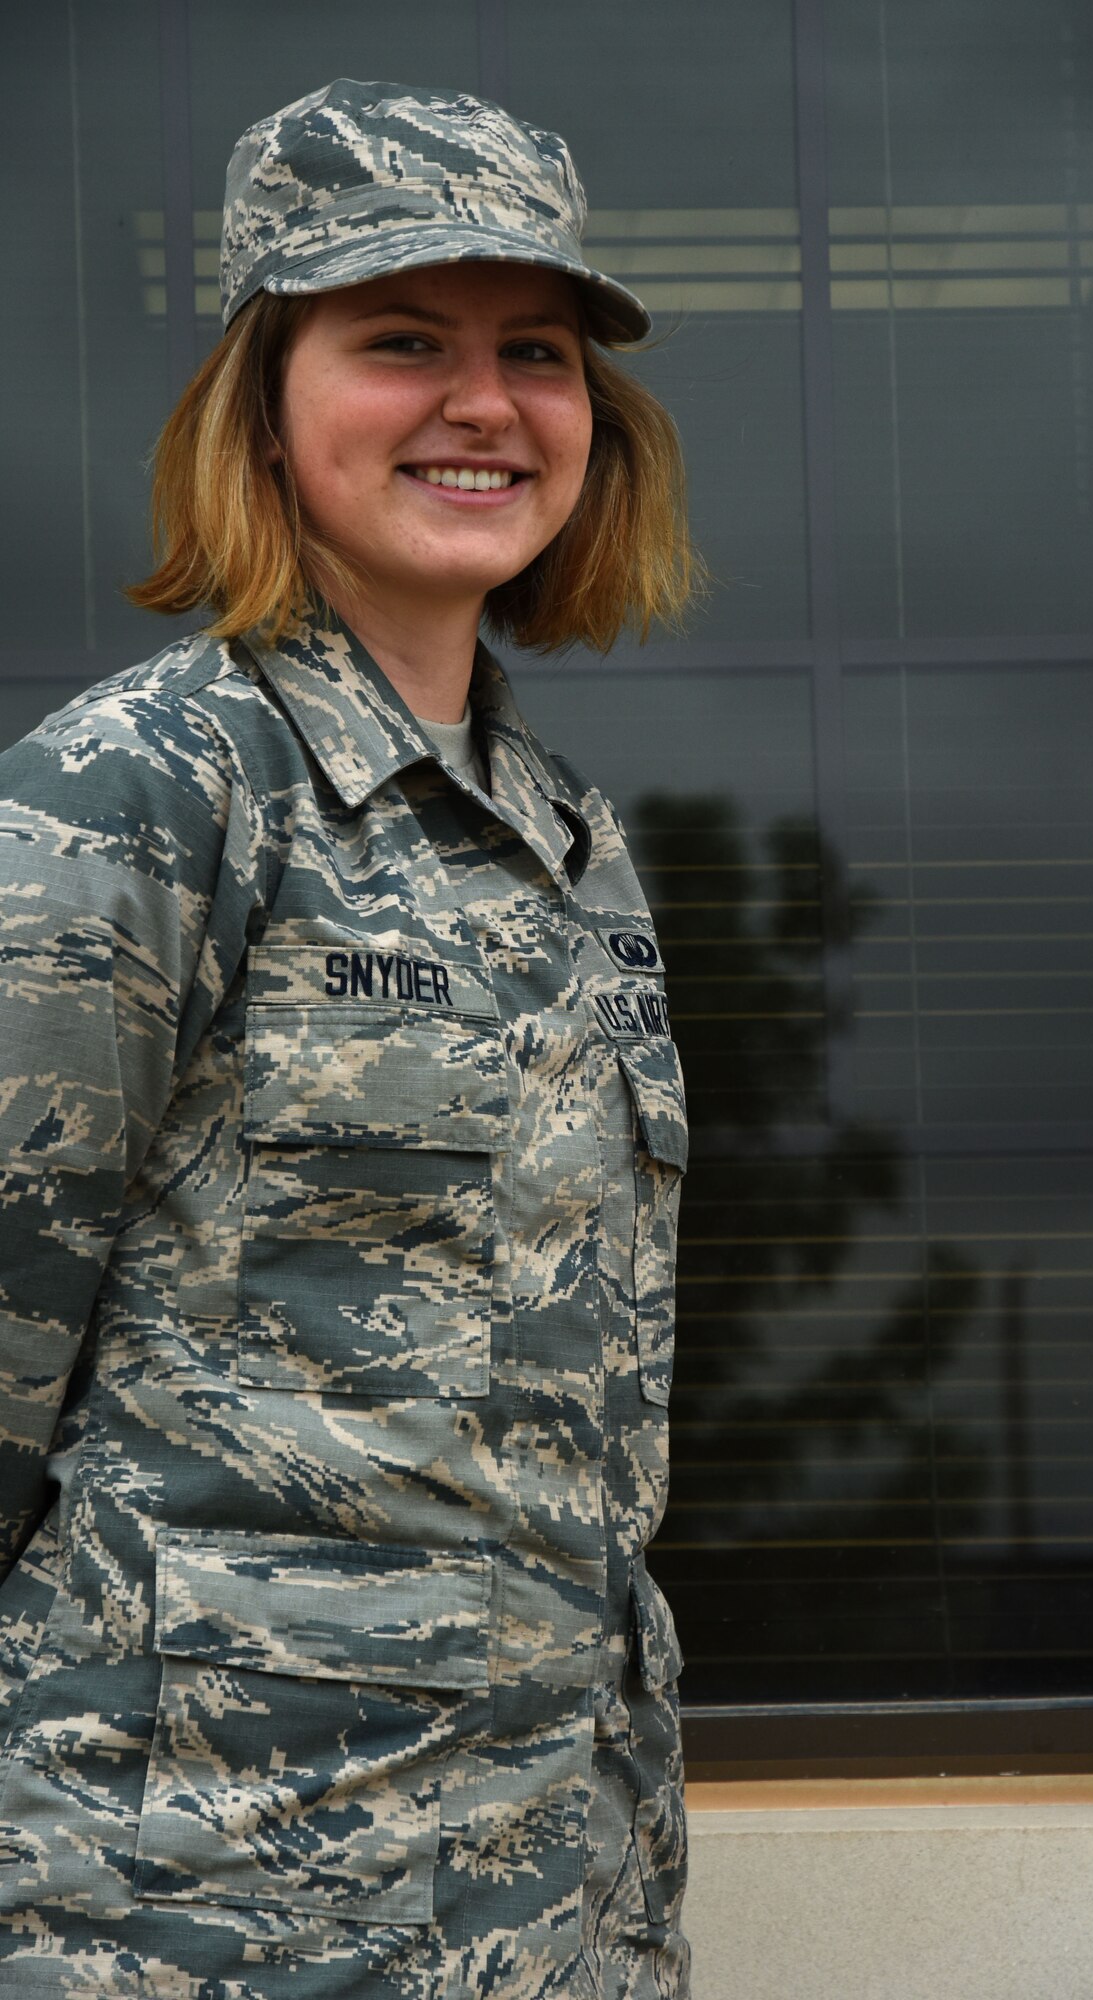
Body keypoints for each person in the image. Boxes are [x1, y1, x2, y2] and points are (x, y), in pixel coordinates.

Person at [0, 78, 695, 2000]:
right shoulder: (142, 790)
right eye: (403, 339)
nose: (483, 404)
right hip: (201, 1897)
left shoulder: (565, 842)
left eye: (533, 353)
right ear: (266, 397)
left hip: (547, 1885)